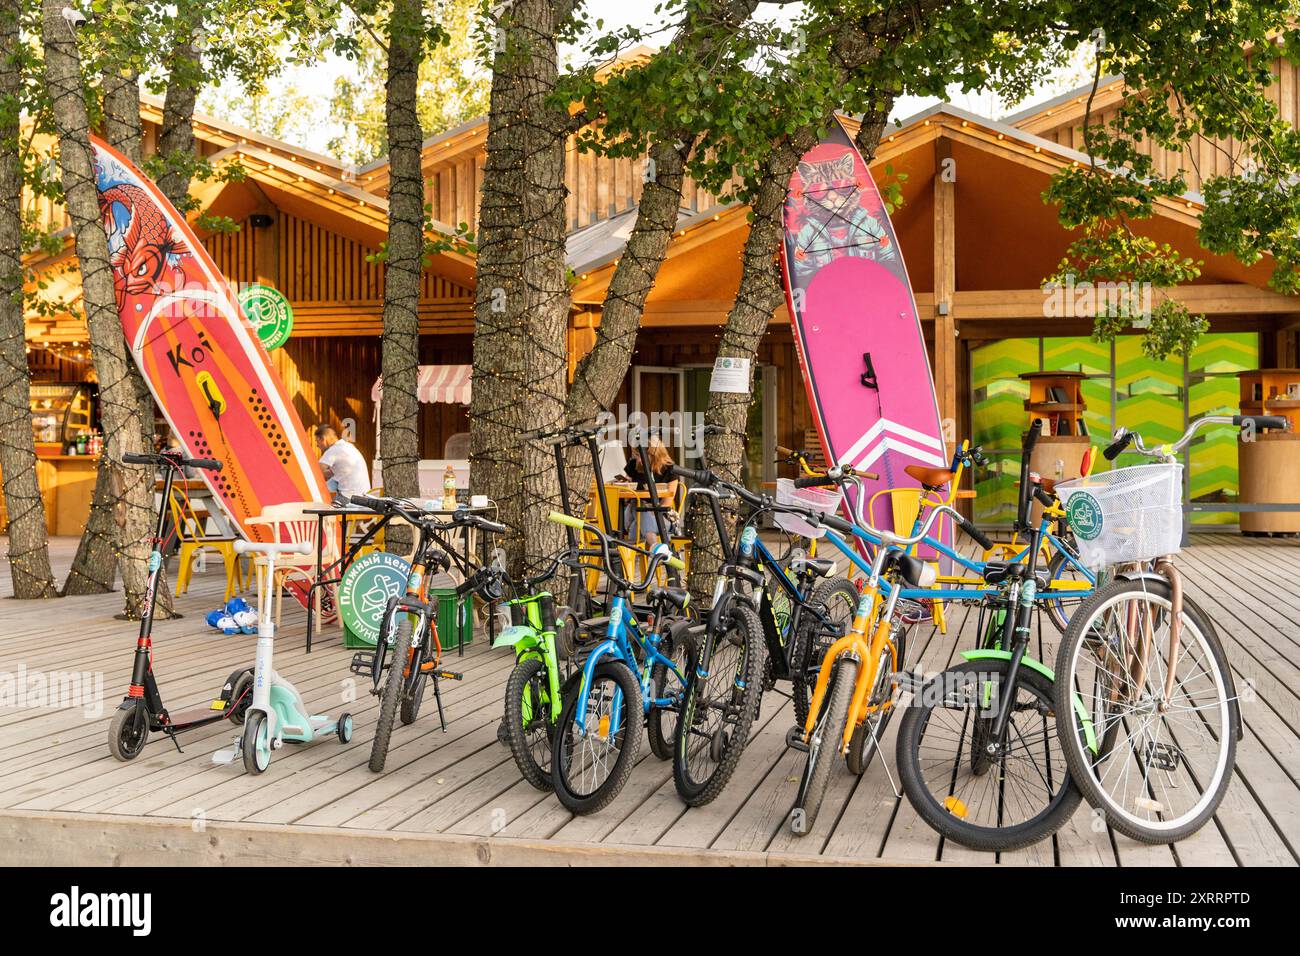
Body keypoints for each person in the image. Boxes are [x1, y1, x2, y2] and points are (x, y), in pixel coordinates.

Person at [620, 435, 679, 547]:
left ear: (655, 454)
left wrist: (649, 510)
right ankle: (655, 546)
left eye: (642, 455)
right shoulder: (633, 465)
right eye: (637, 455)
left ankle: (636, 560)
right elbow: (626, 496)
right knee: (638, 505)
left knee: (635, 527)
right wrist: (625, 485)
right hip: (633, 511)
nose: (639, 459)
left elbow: (667, 502)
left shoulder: (669, 469)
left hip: (661, 517)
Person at [314, 424, 371, 503]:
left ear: (323, 439)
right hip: (364, 496)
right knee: (330, 485)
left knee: (319, 504)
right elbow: (333, 473)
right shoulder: (347, 446)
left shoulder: (334, 450)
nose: (317, 445)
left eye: (317, 441)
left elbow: (315, 472)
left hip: (350, 498)